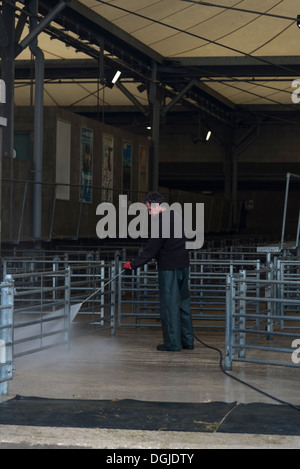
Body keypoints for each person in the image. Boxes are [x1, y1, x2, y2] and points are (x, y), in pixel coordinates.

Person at [123, 192, 194, 352]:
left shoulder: (160, 222)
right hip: (183, 265)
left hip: (169, 269)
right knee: (183, 303)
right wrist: (162, 252)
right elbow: (179, 239)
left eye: (149, 210)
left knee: (170, 306)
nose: (149, 213)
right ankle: (187, 341)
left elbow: (150, 250)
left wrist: (132, 265)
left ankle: (172, 344)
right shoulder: (176, 216)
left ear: (156, 206)